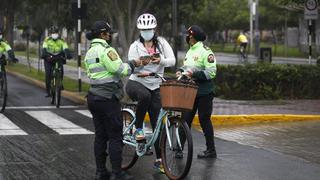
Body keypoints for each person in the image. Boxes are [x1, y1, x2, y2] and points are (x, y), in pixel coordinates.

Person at [84, 20, 141, 180]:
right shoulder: (106, 50)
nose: (110, 36)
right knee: (116, 136)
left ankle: (100, 171)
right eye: (108, 33)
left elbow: (92, 74)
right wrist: (132, 64)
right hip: (108, 99)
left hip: (93, 98)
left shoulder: (89, 52)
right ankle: (117, 172)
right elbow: (120, 69)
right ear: (103, 34)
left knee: (100, 135)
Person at [125, 13, 176, 173]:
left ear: (154, 29)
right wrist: (143, 62)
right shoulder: (135, 46)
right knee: (144, 96)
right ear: (139, 30)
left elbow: (172, 60)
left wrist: (160, 60)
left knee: (157, 123)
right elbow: (132, 65)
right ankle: (138, 129)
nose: (147, 32)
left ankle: (159, 160)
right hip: (136, 82)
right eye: (143, 29)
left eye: (149, 29)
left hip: (155, 85)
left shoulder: (161, 43)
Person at [176, 25, 217, 159]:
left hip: (204, 92)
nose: (188, 38)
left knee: (204, 120)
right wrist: (181, 71)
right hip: (191, 91)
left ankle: (211, 150)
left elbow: (212, 72)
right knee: (185, 119)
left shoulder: (206, 51)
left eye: (190, 36)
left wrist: (195, 73)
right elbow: (187, 68)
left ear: (194, 37)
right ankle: (178, 149)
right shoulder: (190, 51)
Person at [41, 26, 72, 97]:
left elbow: (65, 48)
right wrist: (44, 55)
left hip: (58, 58)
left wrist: (68, 54)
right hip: (49, 58)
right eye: (53, 32)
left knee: (61, 71)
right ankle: (48, 91)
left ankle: (60, 83)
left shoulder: (62, 40)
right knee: (48, 74)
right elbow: (44, 48)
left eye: (55, 32)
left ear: (58, 33)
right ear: (50, 33)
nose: (54, 34)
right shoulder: (47, 40)